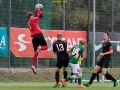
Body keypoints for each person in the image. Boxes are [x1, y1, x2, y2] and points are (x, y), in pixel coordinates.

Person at [27, 4, 48, 74]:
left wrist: (36, 11)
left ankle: (33, 66)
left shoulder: (29, 23)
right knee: (45, 47)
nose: (33, 17)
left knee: (36, 53)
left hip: (34, 38)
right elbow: (40, 16)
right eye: (32, 16)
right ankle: (40, 48)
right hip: (39, 35)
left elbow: (36, 16)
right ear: (30, 17)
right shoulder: (32, 20)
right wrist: (39, 10)